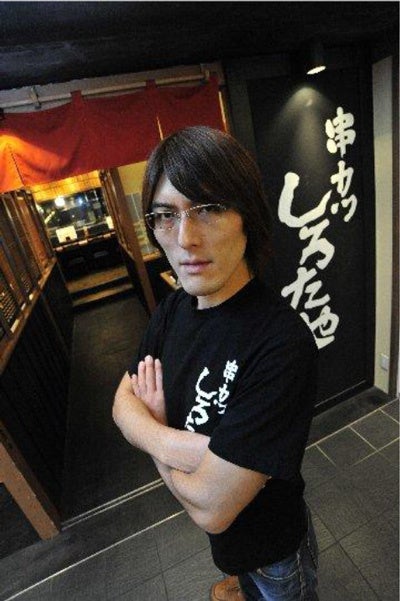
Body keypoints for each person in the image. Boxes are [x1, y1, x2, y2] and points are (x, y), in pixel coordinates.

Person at [113, 125, 319, 601]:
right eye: (166, 215)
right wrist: (199, 453)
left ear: (248, 217)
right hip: (231, 551)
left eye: (208, 209)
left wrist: (154, 431)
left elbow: (212, 510)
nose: (185, 238)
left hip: (275, 550)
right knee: (240, 577)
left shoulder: (281, 343)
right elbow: (122, 403)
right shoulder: (174, 308)